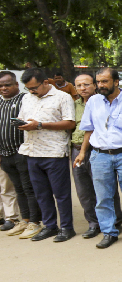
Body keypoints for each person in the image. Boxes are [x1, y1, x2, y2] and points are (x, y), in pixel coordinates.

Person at [75, 68, 122, 249]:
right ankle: (109, 232)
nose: (100, 85)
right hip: (100, 155)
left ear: (116, 82)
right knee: (103, 197)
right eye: (99, 82)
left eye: (105, 81)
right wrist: (82, 153)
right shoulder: (93, 102)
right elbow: (89, 129)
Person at [17, 68, 76, 242]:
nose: (31, 91)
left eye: (34, 87)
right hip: (32, 151)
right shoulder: (27, 98)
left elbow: (70, 123)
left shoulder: (62, 97)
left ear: (45, 82)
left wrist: (40, 125)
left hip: (54, 152)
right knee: (41, 193)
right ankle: (50, 226)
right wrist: (21, 124)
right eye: (28, 88)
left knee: (61, 193)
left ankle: (66, 228)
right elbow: (22, 117)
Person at [71, 73, 122, 239]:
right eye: (78, 85)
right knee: (83, 190)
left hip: (97, 149)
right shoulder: (73, 104)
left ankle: (114, 223)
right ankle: (94, 224)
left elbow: (91, 129)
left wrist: (83, 152)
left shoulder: (102, 101)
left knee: (106, 189)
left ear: (94, 85)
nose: (82, 88)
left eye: (86, 84)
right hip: (76, 149)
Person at [0, 71, 42, 238]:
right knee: (18, 189)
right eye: (1, 85)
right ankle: (24, 220)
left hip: (22, 152)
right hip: (5, 154)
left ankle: (35, 222)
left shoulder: (25, 99)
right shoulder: (0, 102)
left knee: (29, 188)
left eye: (7, 84)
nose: (3, 88)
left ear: (16, 85)